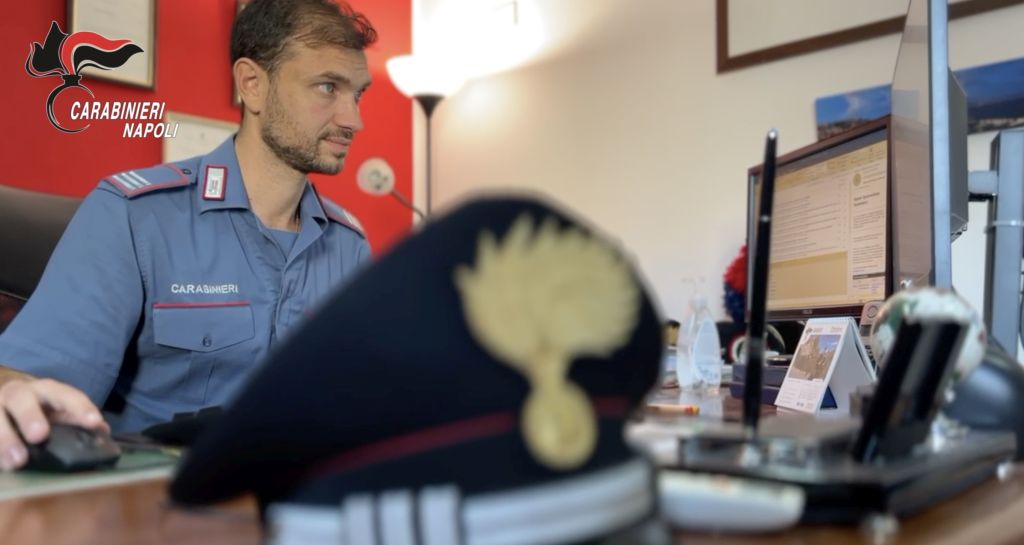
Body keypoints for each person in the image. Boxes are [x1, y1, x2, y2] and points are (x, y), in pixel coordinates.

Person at [0, 0, 377, 471]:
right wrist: (13, 392)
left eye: (358, 95)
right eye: (328, 87)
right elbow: (27, 384)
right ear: (252, 84)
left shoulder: (349, 246)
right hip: (159, 499)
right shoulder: (134, 216)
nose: (353, 120)